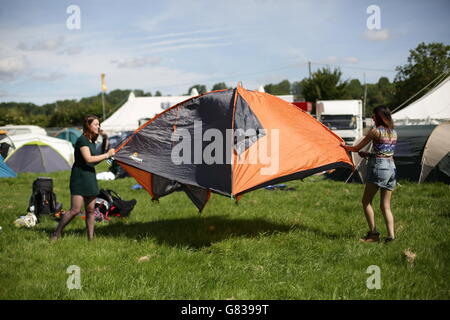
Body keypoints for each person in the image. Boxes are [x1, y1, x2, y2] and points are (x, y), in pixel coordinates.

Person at [51, 115, 115, 241]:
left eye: (99, 124)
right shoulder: (82, 140)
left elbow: (92, 162)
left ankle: (91, 238)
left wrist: (105, 147)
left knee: (91, 210)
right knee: (75, 210)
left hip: (90, 176)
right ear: (88, 126)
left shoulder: (91, 141)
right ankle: (56, 233)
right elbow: (88, 159)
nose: (98, 126)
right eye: (96, 124)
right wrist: (107, 154)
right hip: (79, 177)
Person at [341, 106, 397, 243]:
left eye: (374, 116)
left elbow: (356, 148)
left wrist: (343, 145)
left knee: (366, 201)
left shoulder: (375, 131)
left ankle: (373, 234)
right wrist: (369, 154)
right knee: (385, 205)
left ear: (380, 117)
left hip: (379, 168)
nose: (372, 118)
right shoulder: (393, 132)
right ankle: (391, 237)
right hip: (392, 168)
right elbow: (385, 152)